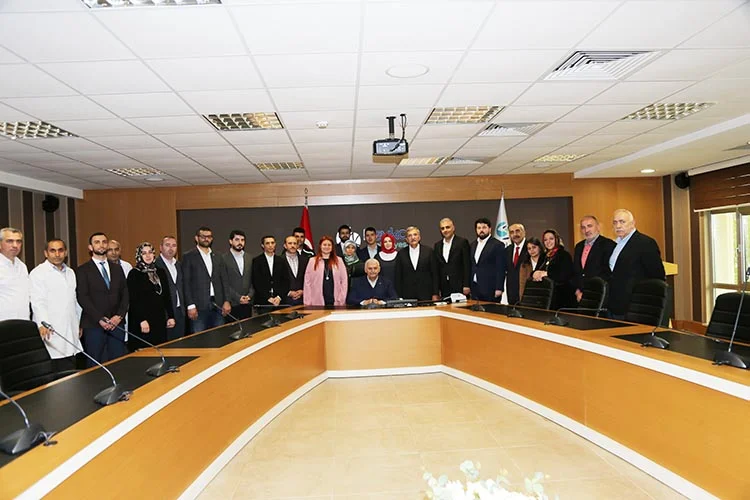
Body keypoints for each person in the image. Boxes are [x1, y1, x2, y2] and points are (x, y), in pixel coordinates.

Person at [76, 232, 129, 365]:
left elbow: (125, 294)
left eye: (104, 242)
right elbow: (82, 297)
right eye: (97, 242)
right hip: (94, 325)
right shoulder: (82, 270)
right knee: (95, 364)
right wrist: (100, 318)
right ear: (90, 247)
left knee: (118, 363)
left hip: (116, 324)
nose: (101, 245)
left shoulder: (117, 268)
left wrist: (119, 316)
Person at [30, 238, 80, 371]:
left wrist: (78, 323)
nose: (57, 254)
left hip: (70, 327)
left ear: (66, 252)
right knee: (54, 368)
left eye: (60, 250)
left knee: (71, 368)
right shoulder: (38, 273)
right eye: (53, 251)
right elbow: (37, 301)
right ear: (46, 253)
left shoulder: (70, 272)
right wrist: (43, 323)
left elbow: (74, 300)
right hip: (50, 328)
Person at [608, 209, 666, 319]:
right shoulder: (615, 243)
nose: (618, 226)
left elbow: (657, 275)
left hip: (636, 305)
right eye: (615, 222)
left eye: (622, 222)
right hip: (615, 304)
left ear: (633, 223)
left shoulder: (645, 243)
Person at [127, 242, 175, 349]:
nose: (148, 256)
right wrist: (142, 320)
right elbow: (133, 300)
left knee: (160, 348)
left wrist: (171, 316)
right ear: (139, 256)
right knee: (144, 351)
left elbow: (167, 296)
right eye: (144, 253)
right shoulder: (134, 274)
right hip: (142, 320)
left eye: (150, 252)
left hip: (159, 319)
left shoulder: (160, 272)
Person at [182, 226, 231, 333]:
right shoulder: (189, 256)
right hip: (198, 306)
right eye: (203, 236)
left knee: (219, 336)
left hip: (218, 305)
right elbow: (186, 283)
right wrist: (190, 305)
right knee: (200, 338)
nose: (206, 239)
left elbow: (224, 280)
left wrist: (227, 301)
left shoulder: (218, 256)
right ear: (196, 238)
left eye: (209, 237)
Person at [572, 216, 616, 303]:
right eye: (583, 227)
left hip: (599, 295)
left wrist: (590, 291)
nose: (586, 230)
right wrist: (577, 290)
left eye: (590, 226)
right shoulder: (578, 246)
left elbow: (608, 272)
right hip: (581, 296)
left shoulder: (608, 245)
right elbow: (576, 271)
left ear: (598, 227)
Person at [532, 229, 575, 310]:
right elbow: (536, 270)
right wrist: (534, 273)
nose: (548, 242)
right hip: (546, 296)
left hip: (562, 298)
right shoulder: (543, 256)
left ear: (556, 239)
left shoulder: (564, 255)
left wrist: (547, 273)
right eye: (545, 240)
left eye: (551, 239)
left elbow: (564, 275)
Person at [394, 226, 439, 301]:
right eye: (410, 235)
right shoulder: (401, 254)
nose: (413, 237)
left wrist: (435, 293)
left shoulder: (429, 251)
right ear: (406, 239)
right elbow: (398, 276)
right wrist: (399, 296)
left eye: (415, 234)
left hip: (426, 294)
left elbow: (435, 274)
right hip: (407, 295)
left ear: (419, 237)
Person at [155, 235, 186, 340]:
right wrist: (167, 315)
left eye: (174, 245)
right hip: (165, 313)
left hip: (180, 311)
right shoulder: (156, 266)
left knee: (180, 342)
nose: (171, 248)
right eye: (167, 245)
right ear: (161, 247)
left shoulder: (179, 265)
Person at [303, 235, 348, 306]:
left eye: (329, 245)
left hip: (336, 300)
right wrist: (307, 301)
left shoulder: (339, 261)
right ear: (320, 246)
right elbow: (307, 282)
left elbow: (344, 281)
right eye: (324, 245)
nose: (327, 247)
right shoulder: (312, 261)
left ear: (332, 247)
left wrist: (342, 298)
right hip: (317, 301)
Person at [469, 217, 506, 302]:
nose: (481, 230)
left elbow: (500, 268)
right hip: (475, 288)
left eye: (484, 227)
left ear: (490, 229)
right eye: (479, 228)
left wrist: (499, 288)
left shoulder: (498, 245)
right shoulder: (472, 245)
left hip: (490, 288)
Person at [220, 230, 254, 320]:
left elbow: (253, 280)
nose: (240, 242)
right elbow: (224, 283)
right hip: (232, 303)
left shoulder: (250, 258)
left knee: (247, 327)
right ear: (230, 241)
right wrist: (238, 297)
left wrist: (250, 295)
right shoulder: (223, 259)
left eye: (242, 240)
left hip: (247, 303)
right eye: (237, 239)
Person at [434, 218, 471, 298]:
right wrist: (437, 289)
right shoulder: (437, 246)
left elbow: (467, 264)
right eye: (442, 228)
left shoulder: (462, 242)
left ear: (453, 228)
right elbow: (437, 269)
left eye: (447, 227)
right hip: (444, 287)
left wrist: (466, 285)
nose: (445, 230)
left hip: (460, 286)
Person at [251, 235, 289, 309]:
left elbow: (286, 281)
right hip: (263, 302)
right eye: (267, 243)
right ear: (262, 245)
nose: (270, 245)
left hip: (279, 301)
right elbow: (256, 282)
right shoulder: (257, 261)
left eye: (272, 243)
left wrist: (279, 297)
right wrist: (268, 298)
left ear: (275, 244)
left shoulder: (281, 261)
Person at [0, 227, 30, 321]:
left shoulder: (22, 266)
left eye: (18, 241)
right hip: (3, 322)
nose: (15, 245)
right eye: (10, 241)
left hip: (23, 321)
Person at [505, 223, 528, 305]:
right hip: (511, 293)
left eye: (517, 231)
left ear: (524, 232)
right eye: (512, 232)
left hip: (527, 292)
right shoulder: (507, 250)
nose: (515, 234)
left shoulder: (531, 248)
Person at [282, 235, 308, 306]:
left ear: (298, 246)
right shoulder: (279, 260)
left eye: (295, 243)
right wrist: (288, 292)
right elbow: (277, 280)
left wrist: (303, 291)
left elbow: (309, 278)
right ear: (285, 246)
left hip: (302, 299)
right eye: (290, 243)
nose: (292, 246)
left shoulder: (305, 260)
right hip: (285, 300)